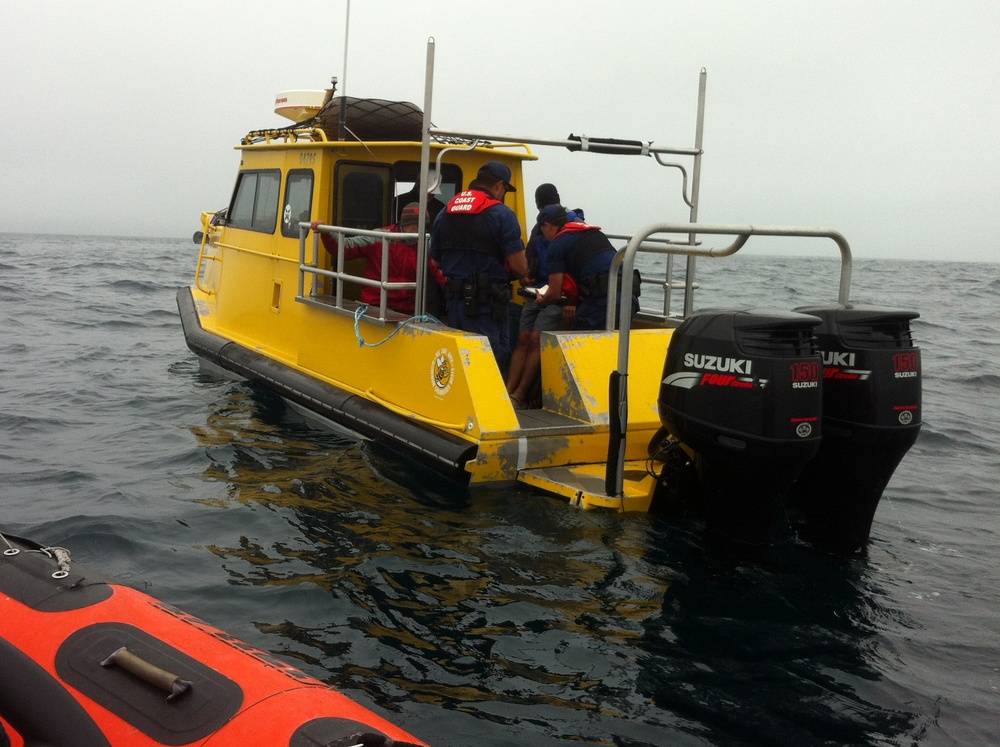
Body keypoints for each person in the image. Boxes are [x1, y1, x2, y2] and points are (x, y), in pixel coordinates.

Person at [429, 161, 528, 372]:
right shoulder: (502, 215)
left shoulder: (445, 212)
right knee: (491, 361)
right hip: (486, 306)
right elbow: (520, 268)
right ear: (500, 186)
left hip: (454, 303)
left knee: (458, 362)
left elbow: (436, 261)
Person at [506, 184, 578, 409]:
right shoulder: (540, 232)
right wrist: (526, 279)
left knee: (537, 339)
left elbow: (578, 268)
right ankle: (507, 392)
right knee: (523, 338)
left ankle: (520, 395)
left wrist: (572, 301)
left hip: (560, 297)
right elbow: (528, 266)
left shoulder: (573, 230)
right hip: (537, 292)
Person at [310, 202, 443, 316]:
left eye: (422, 226)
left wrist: (450, 287)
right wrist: (327, 233)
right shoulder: (379, 237)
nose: (418, 231)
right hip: (376, 307)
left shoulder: (425, 244)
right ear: (406, 224)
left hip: (408, 310)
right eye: (415, 226)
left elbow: (436, 272)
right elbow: (344, 248)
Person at [536, 205, 638, 331]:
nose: (544, 236)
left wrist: (541, 302)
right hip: (629, 298)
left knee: (577, 343)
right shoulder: (595, 233)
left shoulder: (558, 244)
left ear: (547, 225)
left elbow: (554, 293)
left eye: (542, 230)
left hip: (601, 303)